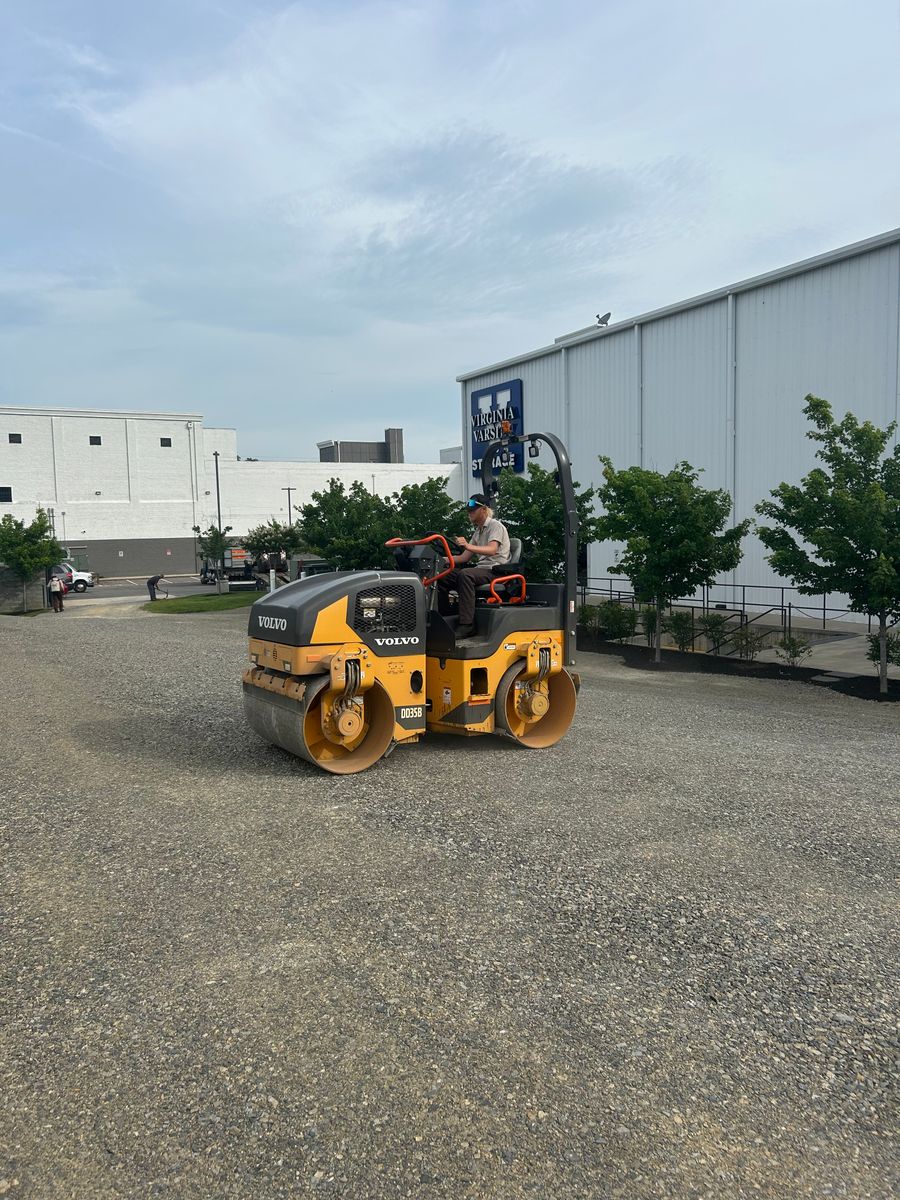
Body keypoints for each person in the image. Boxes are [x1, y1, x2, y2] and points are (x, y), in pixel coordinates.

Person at [437, 494, 511, 638]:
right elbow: (463, 557)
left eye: (473, 510)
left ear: (484, 509)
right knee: (443, 574)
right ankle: (445, 615)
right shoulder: (478, 530)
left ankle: (467, 625)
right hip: (481, 570)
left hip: (496, 571)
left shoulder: (495, 526)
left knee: (466, 574)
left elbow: (492, 549)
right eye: (469, 511)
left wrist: (467, 545)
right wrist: (438, 560)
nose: (469, 513)